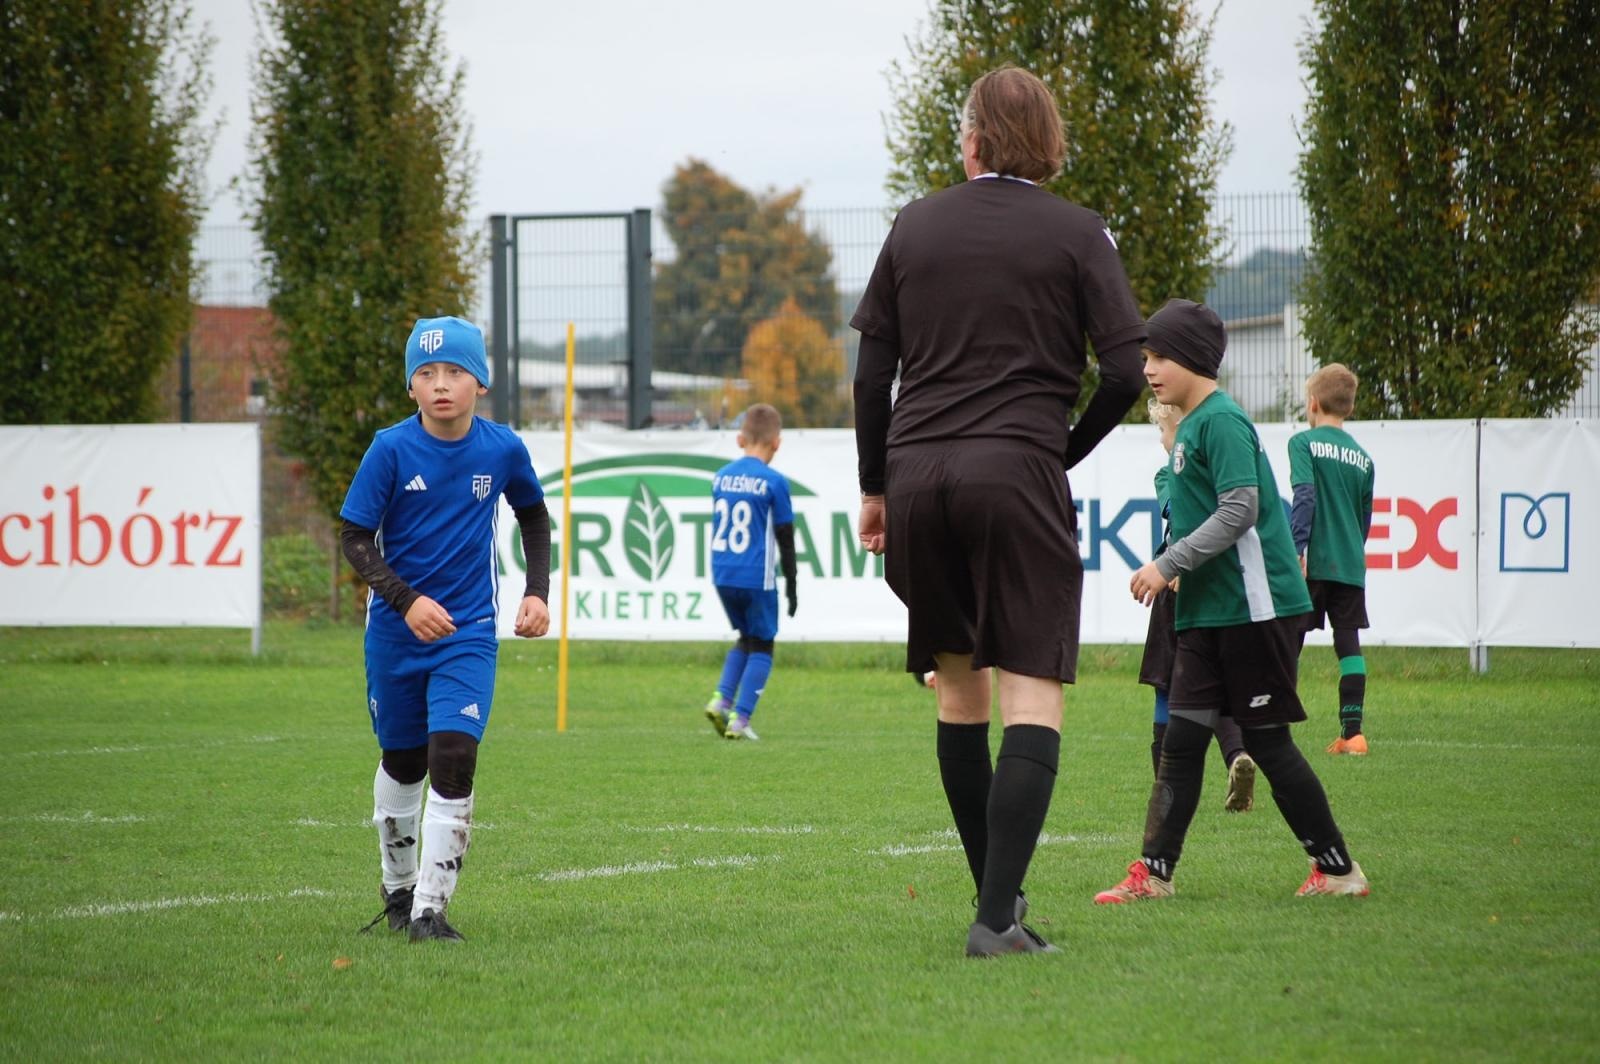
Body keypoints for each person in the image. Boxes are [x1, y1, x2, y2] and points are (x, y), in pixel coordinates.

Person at [852, 66, 1148, 956]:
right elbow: (1128, 372)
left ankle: (1001, 907)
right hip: (1013, 472)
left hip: (917, 478)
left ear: (975, 141)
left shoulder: (913, 223)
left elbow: (873, 376)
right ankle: (993, 922)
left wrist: (877, 489)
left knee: (958, 697)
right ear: (1046, 142)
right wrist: (1058, 451)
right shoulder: (1079, 231)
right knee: (1031, 696)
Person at [1095, 299, 1368, 905]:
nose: (1148, 368)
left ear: (1193, 356)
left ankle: (1339, 870)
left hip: (1255, 612)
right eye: (1145, 357)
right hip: (1208, 616)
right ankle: (1155, 875)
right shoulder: (1190, 427)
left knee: (1267, 744)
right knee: (1182, 743)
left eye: (1159, 356)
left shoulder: (1221, 420)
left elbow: (1241, 507)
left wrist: (1168, 564)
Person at [341, 316, 552, 942]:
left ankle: (432, 910)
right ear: (411, 387)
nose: (440, 385)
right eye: (426, 373)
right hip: (396, 634)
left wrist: (537, 592)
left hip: (468, 631)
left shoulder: (502, 448)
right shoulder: (389, 448)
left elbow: (534, 518)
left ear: (480, 382)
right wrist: (405, 602)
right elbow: (354, 538)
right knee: (403, 762)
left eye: (455, 372)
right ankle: (398, 888)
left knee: (454, 755)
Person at [1140, 398, 1256, 812]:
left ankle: (1164, 786)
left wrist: (1170, 564)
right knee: (1217, 684)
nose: (1162, 440)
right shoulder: (1221, 469)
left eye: (1163, 431)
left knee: (1164, 683)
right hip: (1223, 590)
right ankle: (1237, 755)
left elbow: (1180, 517)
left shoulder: (1168, 472)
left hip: (1178, 587)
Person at [1288, 364, 1376, 755]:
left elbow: (1304, 496)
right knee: (1348, 643)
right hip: (1350, 562)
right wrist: (1352, 553)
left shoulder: (1303, 444)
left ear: (1313, 403)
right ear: (1349, 407)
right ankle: (1352, 734)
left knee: (1289, 641)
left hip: (1314, 561)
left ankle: (1274, 728)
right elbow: (1364, 520)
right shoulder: (1363, 458)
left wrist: (1296, 549)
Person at [703, 403, 797, 742]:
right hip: (756, 576)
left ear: (740, 439)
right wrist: (792, 587)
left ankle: (720, 700)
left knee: (746, 637)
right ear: (777, 443)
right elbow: (786, 538)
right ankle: (740, 719)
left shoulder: (721, 477)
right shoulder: (774, 481)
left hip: (722, 572)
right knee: (764, 644)